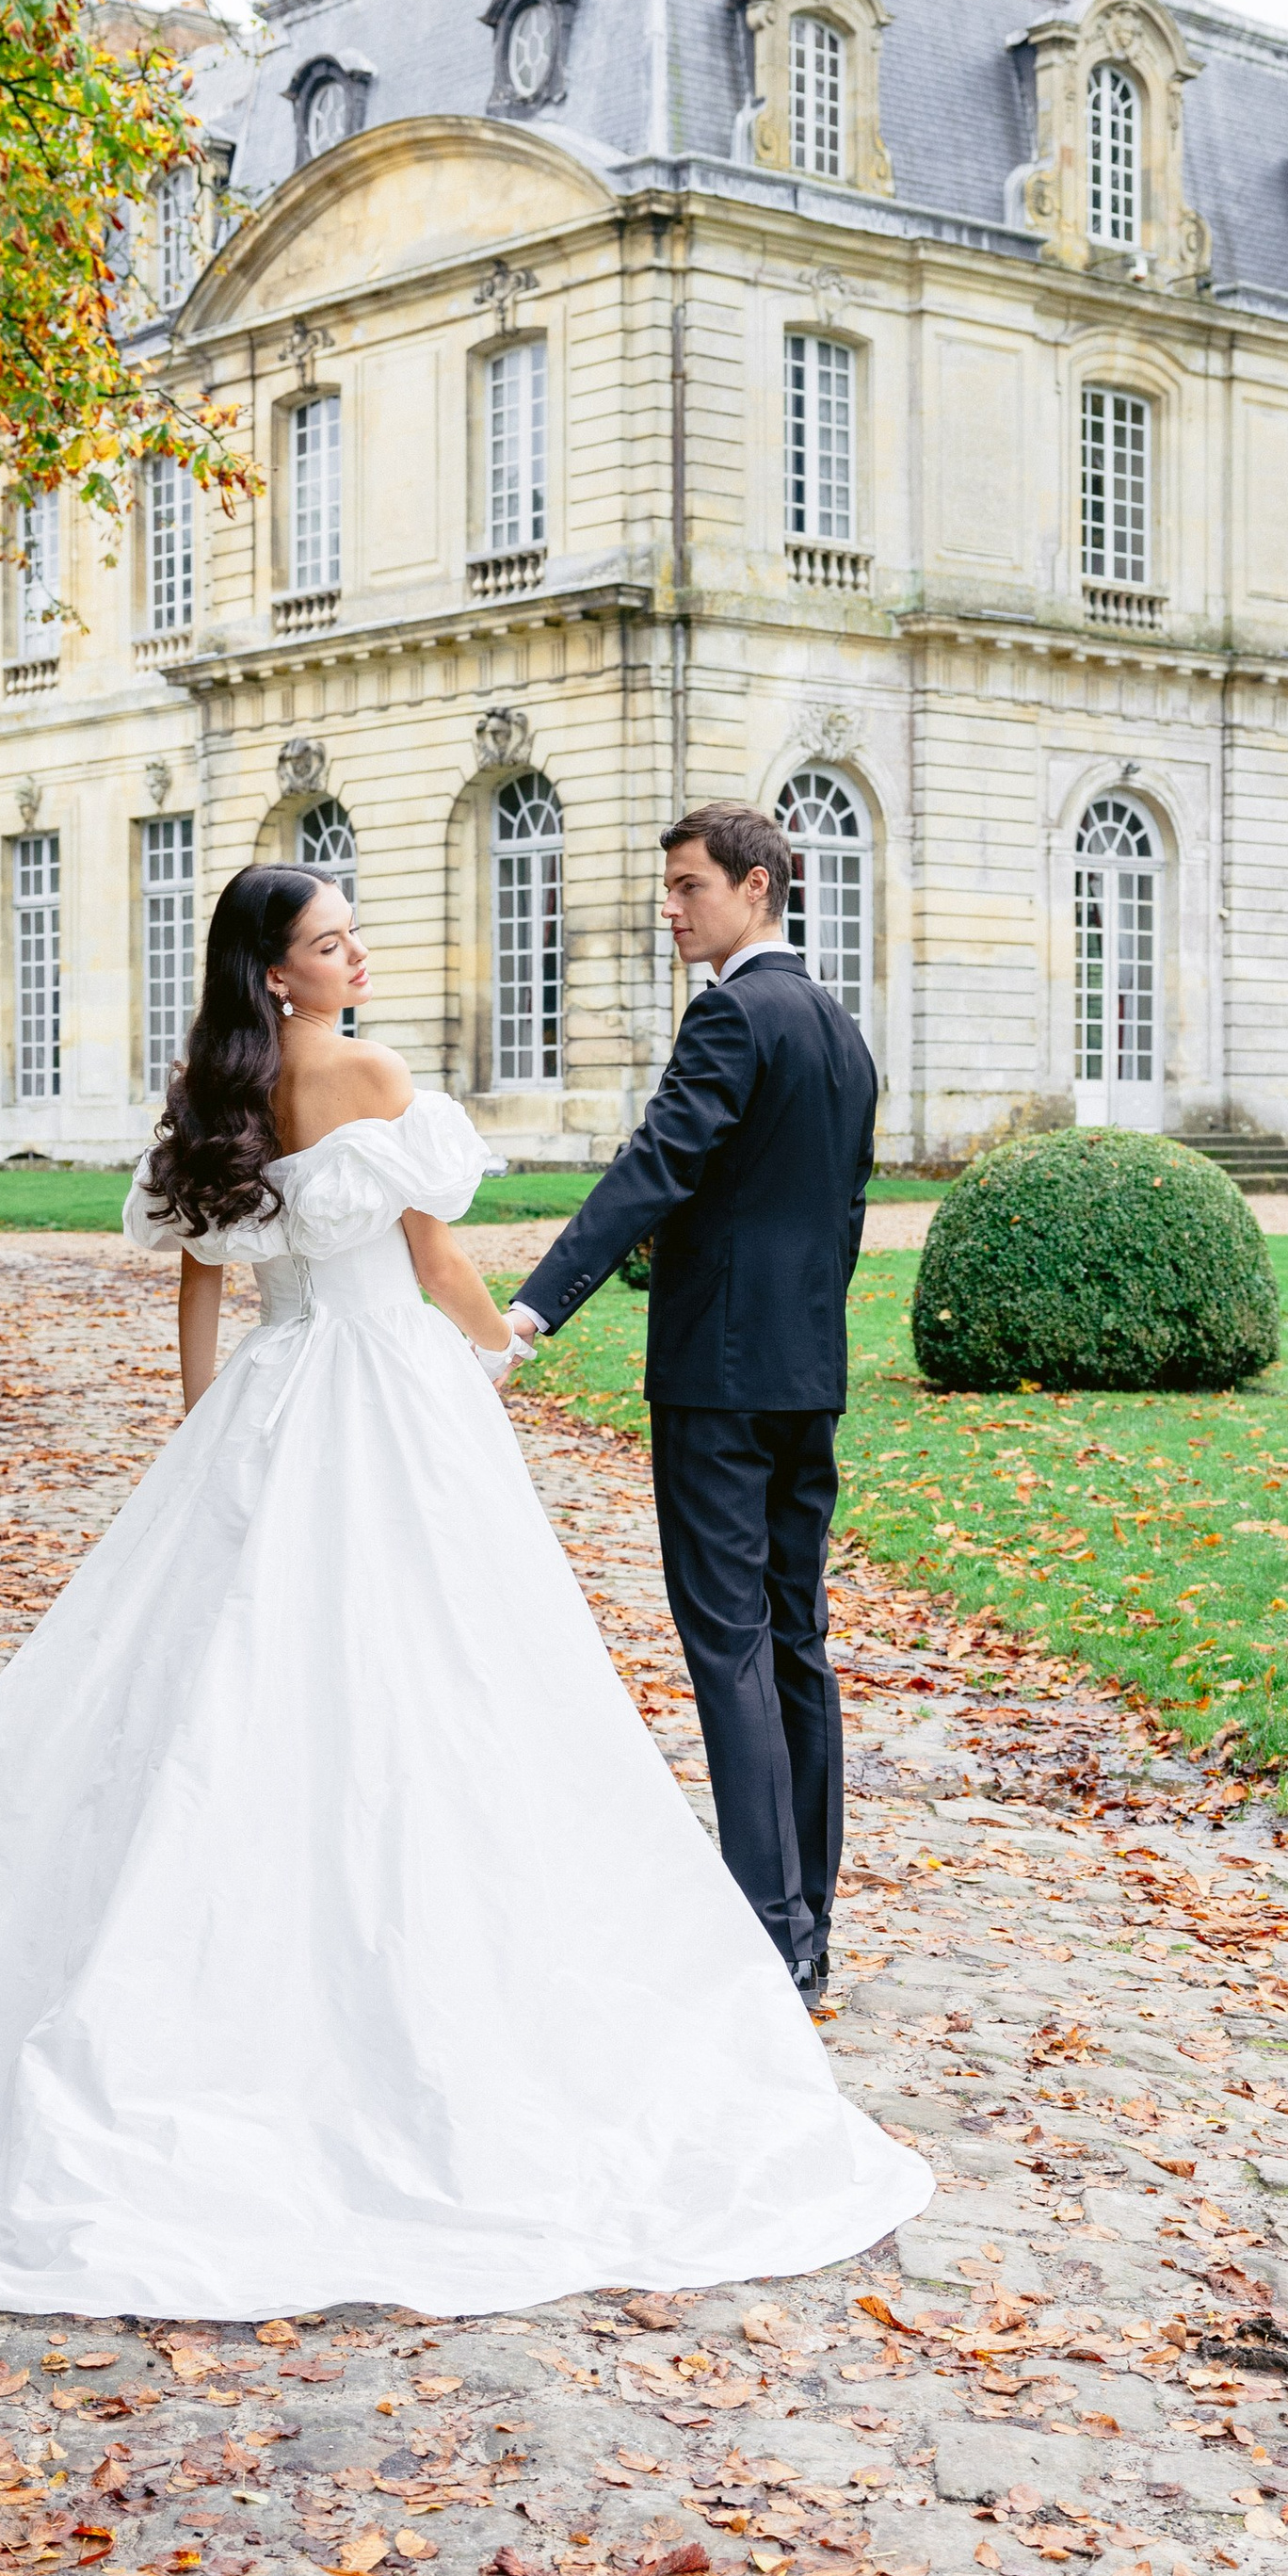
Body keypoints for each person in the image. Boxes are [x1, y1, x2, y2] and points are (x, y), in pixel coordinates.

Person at [0, 863, 926, 2318]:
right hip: (388, 1394)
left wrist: (206, 1435)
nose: (357, 951)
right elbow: (428, 1245)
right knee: (442, 1680)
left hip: (273, 1390)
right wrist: (496, 1342)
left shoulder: (212, 1095)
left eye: (351, 932)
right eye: (332, 941)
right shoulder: (373, 1075)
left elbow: (202, 1280)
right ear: (280, 973)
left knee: (222, 1681)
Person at [507, 803, 878, 2006]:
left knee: (730, 1644)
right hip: (804, 1373)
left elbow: (659, 1164)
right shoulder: (839, 1030)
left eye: (687, 888)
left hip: (719, 1383)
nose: (669, 909)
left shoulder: (729, 1013)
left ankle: (770, 1936)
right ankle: (807, 1917)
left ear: (757, 888)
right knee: (796, 1639)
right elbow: (838, 1217)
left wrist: (532, 1309)